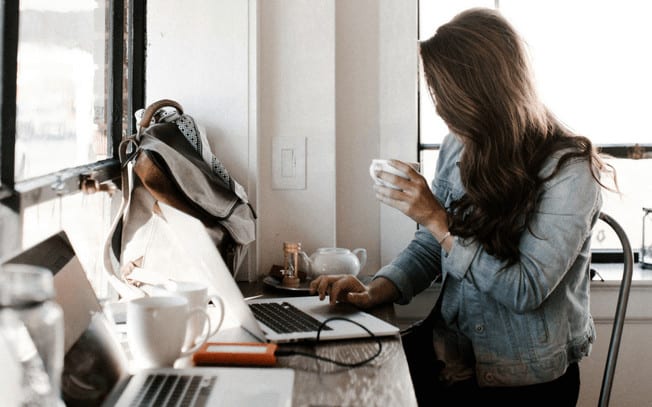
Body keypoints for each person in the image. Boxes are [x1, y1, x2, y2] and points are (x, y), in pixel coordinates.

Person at [310, 7, 613, 406]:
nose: (440, 110)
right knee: (340, 380)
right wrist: (374, 290)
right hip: (451, 351)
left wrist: (437, 219)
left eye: (447, 97)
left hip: (521, 379)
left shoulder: (570, 172)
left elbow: (524, 290)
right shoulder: (460, 145)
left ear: (486, 92)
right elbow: (429, 246)